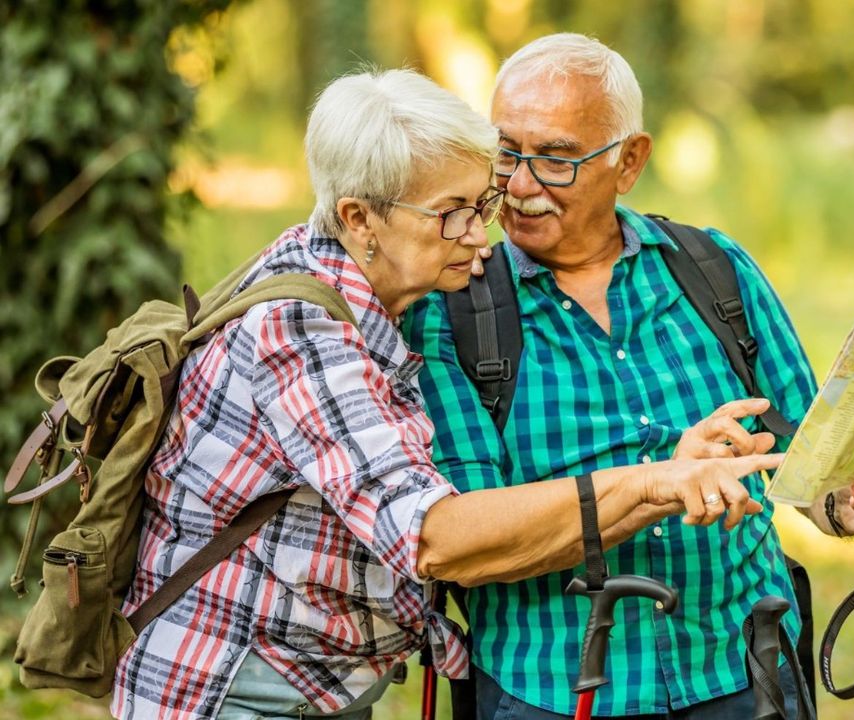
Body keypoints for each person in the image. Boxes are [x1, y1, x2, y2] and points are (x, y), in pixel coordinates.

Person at [109, 68, 781, 720]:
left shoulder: (367, 289)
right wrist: (655, 482)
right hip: (233, 684)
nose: (481, 235)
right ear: (359, 218)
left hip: (315, 680)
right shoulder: (301, 334)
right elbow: (433, 538)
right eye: (452, 214)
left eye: (480, 205)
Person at [405, 34, 854, 719]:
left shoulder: (713, 269)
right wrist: (661, 485)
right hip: (558, 689)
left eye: (557, 159)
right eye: (507, 153)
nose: (522, 186)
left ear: (629, 161)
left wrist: (849, 502)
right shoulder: (453, 311)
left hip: (744, 673)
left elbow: (806, 461)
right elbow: (465, 545)